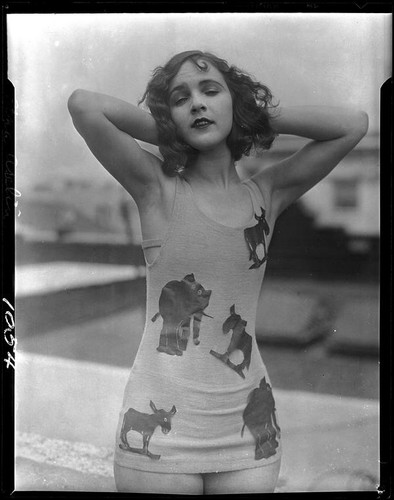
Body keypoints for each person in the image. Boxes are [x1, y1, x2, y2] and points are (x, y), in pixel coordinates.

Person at [67, 50, 368, 495]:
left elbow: (354, 124)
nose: (197, 104)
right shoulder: (156, 187)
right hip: (161, 435)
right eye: (181, 97)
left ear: (235, 104)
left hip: (247, 428)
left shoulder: (266, 193)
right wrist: (169, 127)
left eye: (211, 92)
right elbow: (83, 104)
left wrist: (252, 118)